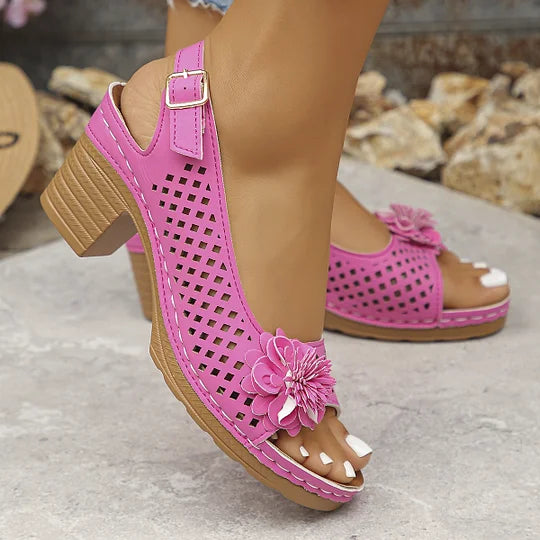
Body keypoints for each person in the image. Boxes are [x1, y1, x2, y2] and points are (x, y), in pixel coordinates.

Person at [41, 0, 509, 509]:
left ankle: (221, 126)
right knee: (277, 87)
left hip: (215, 130)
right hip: (243, 125)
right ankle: (248, 123)